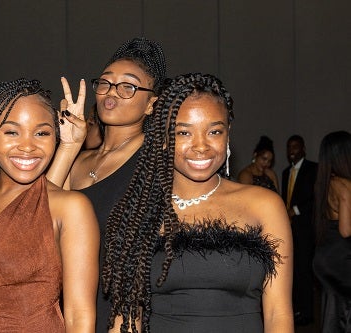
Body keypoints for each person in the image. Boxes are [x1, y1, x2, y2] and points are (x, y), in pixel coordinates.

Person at [103, 73, 294, 332]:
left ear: (228, 134)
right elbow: (126, 320)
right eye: (184, 132)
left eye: (214, 131)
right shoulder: (139, 211)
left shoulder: (264, 205)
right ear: (162, 139)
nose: (201, 146)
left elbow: (278, 314)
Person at [0, 78, 99, 332]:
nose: (27, 146)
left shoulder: (70, 208)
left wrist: (70, 147)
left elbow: (80, 316)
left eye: (42, 133)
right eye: (12, 131)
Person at [51, 36, 166, 332]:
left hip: (125, 317)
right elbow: (37, 221)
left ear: (151, 104)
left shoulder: (157, 161)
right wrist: (67, 147)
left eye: (128, 86)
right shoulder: (78, 159)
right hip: (68, 310)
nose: (111, 93)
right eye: (104, 83)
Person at [312, 130, 351, 333]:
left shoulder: (324, 183)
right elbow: (346, 230)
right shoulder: (345, 185)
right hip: (341, 258)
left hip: (324, 256)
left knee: (333, 310)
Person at [281, 135, 318, 325]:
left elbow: (316, 197)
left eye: (295, 146)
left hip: (305, 229)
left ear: (303, 148)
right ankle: (295, 309)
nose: (292, 150)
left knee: (304, 270)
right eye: (289, 147)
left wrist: (294, 211)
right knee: (292, 270)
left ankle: (307, 312)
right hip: (289, 229)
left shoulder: (313, 169)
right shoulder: (286, 172)